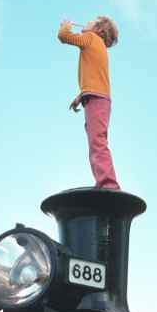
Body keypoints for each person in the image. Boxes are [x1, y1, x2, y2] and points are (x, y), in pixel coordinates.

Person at [58, 17, 120, 190]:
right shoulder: (98, 46)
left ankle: (108, 184)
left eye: (92, 21)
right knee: (96, 142)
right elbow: (95, 78)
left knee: (97, 143)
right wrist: (81, 96)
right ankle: (103, 181)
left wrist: (66, 26)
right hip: (97, 99)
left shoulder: (92, 38)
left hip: (96, 100)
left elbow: (64, 37)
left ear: (99, 29)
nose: (86, 22)